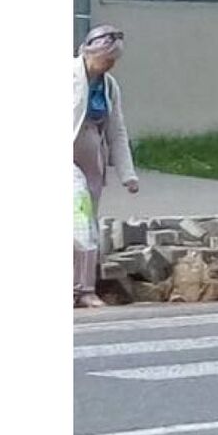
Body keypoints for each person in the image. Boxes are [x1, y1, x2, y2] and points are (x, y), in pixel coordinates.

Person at [71, 25, 138, 308]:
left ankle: (82, 285)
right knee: (80, 217)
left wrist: (128, 174)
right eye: (107, 58)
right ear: (91, 52)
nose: (110, 65)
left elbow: (116, 131)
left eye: (114, 60)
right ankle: (83, 290)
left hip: (92, 159)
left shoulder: (109, 85)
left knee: (88, 224)